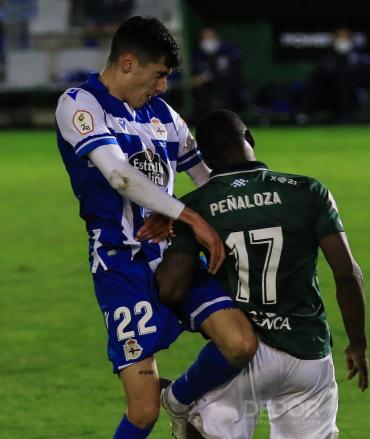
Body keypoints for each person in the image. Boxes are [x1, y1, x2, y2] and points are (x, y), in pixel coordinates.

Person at [55, 16, 258, 438]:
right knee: (142, 412)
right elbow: (118, 175)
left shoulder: (165, 117)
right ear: (128, 63)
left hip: (174, 257)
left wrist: (186, 210)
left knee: (240, 344)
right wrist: (187, 215)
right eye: (160, 74)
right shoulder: (79, 104)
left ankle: (180, 400)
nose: (163, 86)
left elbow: (206, 180)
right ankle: (163, 405)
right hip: (120, 263)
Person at [157, 109, 369, 438]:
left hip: (244, 352)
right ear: (250, 139)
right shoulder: (308, 191)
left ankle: (182, 405)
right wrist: (358, 344)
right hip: (308, 353)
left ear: (206, 159)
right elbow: (346, 273)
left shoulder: (196, 207)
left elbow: (170, 288)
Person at [304, 28, 370, 122]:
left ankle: (347, 116)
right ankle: (304, 115)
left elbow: (365, 78)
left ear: (351, 39)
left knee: (345, 81)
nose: (342, 40)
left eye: (345, 37)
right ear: (334, 39)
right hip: (330, 94)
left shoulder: (361, 56)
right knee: (314, 85)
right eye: (340, 37)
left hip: (354, 94)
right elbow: (317, 77)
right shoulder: (327, 56)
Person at [190, 28, 245, 123]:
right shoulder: (197, 55)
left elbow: (232, 73)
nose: (208, 41)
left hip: (228, 92)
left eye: (211, 37)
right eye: (205, 38)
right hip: (206, 94)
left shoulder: (228, 51)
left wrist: (208, 77)